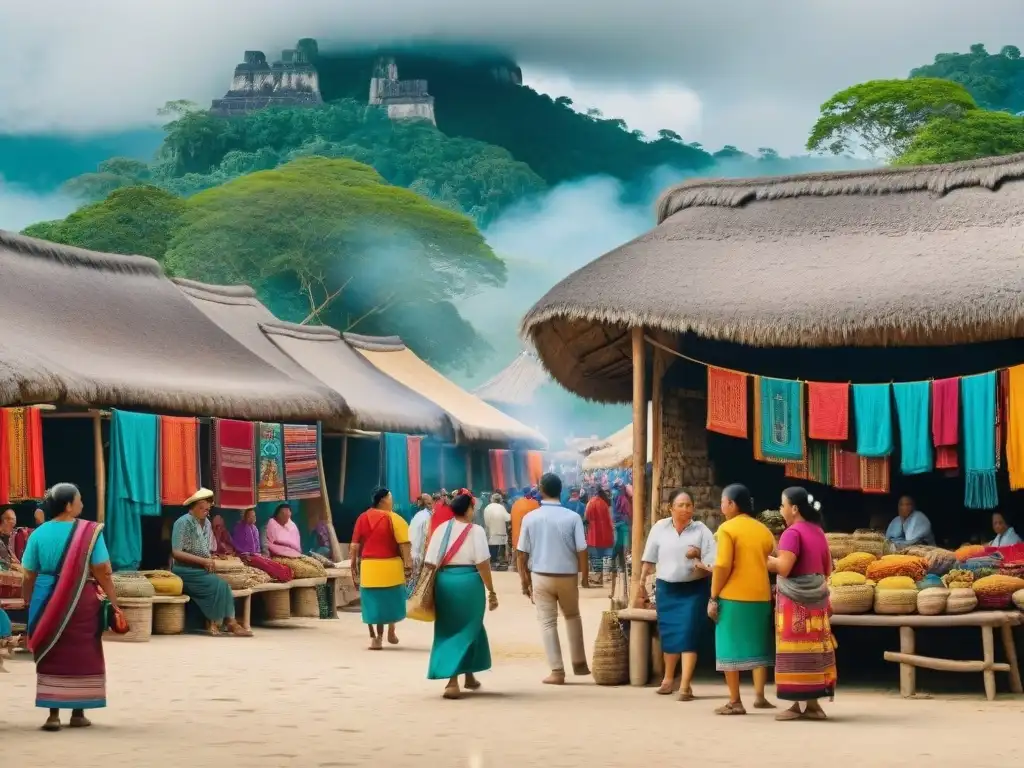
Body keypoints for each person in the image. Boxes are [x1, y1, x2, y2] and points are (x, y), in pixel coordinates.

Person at [20, 483, 120, 731]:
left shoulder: (38, 534)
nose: (82, 505)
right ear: (67, 505)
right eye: (79, 500)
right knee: (82, 652)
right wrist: (115, 602)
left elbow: (28, 575)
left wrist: (29, 601)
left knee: (52, 652)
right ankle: (78, 712)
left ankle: (53, 714)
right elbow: (104, 571)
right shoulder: (90, 532)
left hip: (44, 598)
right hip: (81, 600)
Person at [767, 487, 837, 721]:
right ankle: (814, 705)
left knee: (795, 653)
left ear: (794, 508)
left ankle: (796, 704)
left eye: (782, 505)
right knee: (814, 652)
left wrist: (763, 558)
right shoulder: (818, 532)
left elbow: (784, 567)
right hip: (817, 602)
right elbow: (828, 569)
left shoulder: (791, 533)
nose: (780, 509)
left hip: (794, 605)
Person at [638, 489, 716, 700]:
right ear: (670, 508)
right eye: (680, 505)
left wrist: (698, 554)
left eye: (689, 505)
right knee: (670, 634)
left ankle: (685, 685)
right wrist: (641, 581)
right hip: (667, 590)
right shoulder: (660, 528)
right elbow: (649, 557)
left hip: (693, 590)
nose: (685, 509)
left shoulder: (701, 530)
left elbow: (714, 561)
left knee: (689, 633)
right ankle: (667, 679)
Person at [708, 483, 776, 715]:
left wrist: (713, 595)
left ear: (732, 504)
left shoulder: (727, 529)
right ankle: (760, 696)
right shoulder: (763, 530)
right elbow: (771, 558)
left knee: (729, 647)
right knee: (758, 646)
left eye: (723, 502)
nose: (721, 506)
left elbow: (722, 565)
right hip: (761, 596)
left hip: (734, 597)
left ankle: (735, 701)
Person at [517, 473, 590, 685]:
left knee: (548, 623)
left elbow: (522, 553)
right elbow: (582, 550)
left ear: (541, 490)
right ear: (562, 491)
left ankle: (557, 672)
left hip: (540, 576)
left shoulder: (530, 518)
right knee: (573, 617)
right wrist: (584, 577)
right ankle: (580, 664)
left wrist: (525, 582)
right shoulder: (573, 517)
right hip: (567, 576)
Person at [424, 490, 498, 699]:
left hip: (444, 583)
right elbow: (483, 563)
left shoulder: (441, 529)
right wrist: (491, 590)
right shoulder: (476, 531)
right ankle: (452, 681)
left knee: (452, 628)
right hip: (469, 584)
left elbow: (430, 562)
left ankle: (469, 676)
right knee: (465, 628)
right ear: (467, 510)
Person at [170, 488, 251, 637]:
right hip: (184, 570)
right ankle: (220, 621)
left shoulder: (207, 524)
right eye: (201, 508)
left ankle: (230, 622)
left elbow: (207, 549)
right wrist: (202, 561)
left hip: (201, 569)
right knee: (217, 585)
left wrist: (211, 560)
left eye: (207, 509)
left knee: (224, 585)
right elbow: (176, 552)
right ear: (193, 507)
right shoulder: (182, 523)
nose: (205, 511)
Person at [351, 488, 412, 650]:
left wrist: (353, 566)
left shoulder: (362, 518)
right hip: (391, 567)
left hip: (369, 567)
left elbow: (354, 546)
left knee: (371, 604)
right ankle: (391, 630)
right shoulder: (394, 519)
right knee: (391, 600)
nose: (392, 501)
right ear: (383, 500)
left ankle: (375, 638)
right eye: (390, 497)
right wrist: (408, 565)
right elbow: (404, 544)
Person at [231, 507, 293, 582]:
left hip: (255, 555)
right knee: (265, 565)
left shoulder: (254, 528)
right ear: (245, 517)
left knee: (269, 562)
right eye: (251, 516)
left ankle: (287, 572)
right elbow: (237, 545)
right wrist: (245, 555)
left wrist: (257, 554)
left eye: (254, 516)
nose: (253, 518)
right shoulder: (239, 528)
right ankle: (283, 575)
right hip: (245, 557)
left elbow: (256, 546)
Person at [585, 488, 614, 587]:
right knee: (606, 554)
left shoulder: (590, 503)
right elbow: (611, 519)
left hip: (593, 533)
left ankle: (597, 577)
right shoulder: (606, 504)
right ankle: (606, 576)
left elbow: (586, 517)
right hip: (606, 532)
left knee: (595, 555)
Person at [407, 493, 434, 594]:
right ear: (427, 503)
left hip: (412, 552)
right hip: (419, 554)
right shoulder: (427, 517)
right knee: (417, 583)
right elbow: (427, 537)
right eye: (431, 502)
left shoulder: (418, 515)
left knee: (413, 579)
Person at [609, 483, 632, 600]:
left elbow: (625, 523)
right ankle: (620, 593)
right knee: (622, 564)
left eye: (614, 491)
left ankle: (619, 593)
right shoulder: (619, 502)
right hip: (621, 533)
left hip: (621, 534)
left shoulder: (622, 502)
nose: (613, 494)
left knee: (619, 562)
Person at [509, 489, 539, 565]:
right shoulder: (535, 504)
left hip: (517, 540)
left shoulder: (516, 504)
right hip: (530, 541)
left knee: (519, 562)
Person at [482, 493, 512, 567]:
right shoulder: (501, 507)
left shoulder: (487, 507)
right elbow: (508, 518)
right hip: (501, 531)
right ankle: (501, 562)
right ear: (500, 500)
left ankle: (492, 563)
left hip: (491, 531)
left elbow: (486, 521)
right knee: (501, 547)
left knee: (492, 547)